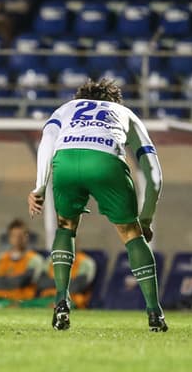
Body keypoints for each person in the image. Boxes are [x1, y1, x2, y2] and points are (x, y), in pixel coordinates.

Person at [28, 78, 167, 332]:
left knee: (65, 226)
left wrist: (39, 186)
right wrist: (145, 219)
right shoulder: (125, 113)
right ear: (114, 100)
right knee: (130, 233)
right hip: (105, 161)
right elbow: (154, 175)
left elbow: (46, 141)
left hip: (66, 160)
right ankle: (154, 312)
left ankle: (61, 300)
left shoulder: (67, 108)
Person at [0, 218, 44, 308]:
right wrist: (10, 282)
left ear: (27, 237)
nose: (18, 239)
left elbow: (23, 281)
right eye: (14, 236)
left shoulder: (34, 259)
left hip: (21, 300)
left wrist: (1, 281)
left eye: (21, 236)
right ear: (9, 238)